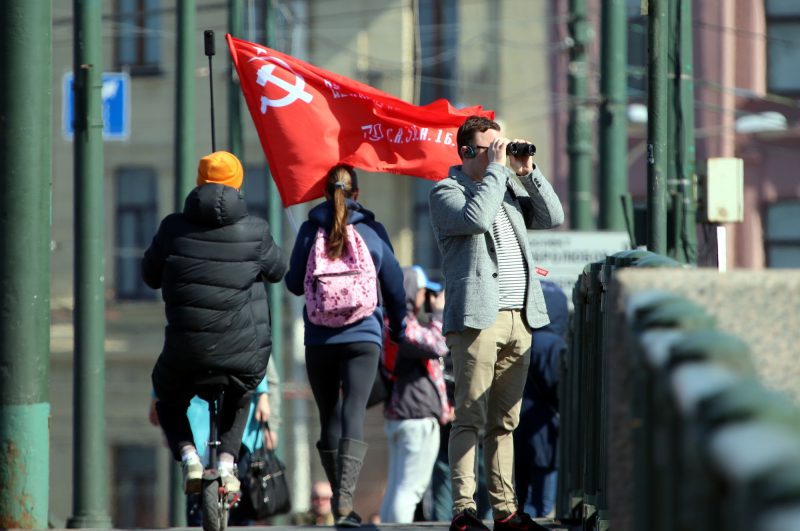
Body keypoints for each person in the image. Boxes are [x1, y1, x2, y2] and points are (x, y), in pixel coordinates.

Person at [428, 115, 564, 531]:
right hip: (476, 319)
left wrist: (529, 173)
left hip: (519, 317)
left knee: (505, 420)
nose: (500, 154)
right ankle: (464, 510)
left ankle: (506, 510)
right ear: (468, 152)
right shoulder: (447, 192)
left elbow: (553, 217)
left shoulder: (504, 187)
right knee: (470, 414)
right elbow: (475, 220)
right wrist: (497, 172)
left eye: (501, 146)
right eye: (491, 147)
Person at [143, 150, 287, 495]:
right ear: (238, 185)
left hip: (186, 352)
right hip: (243, 355)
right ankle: (225, 462)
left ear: (198, 182)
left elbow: (149, 276)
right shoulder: (256, 230)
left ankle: (189, 455)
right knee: (241, 393)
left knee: (167, 396)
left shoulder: (171, 228)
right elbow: (279, 271)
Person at [284, 164, 406, 527]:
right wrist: (397, 327)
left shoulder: (309, 229)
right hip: (363, 337)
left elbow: (293, 283)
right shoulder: (372, 230)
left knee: (328, 414)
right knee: (354, 410)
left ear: (326, 193)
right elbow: (396, 285)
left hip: (319, 338)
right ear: (357, 193)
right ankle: (344, 501)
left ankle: (339, 496)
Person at [379, 266, 450, 523]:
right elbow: (439, 345)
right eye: (423, 291)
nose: (427, 298)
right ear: (410, 291)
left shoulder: (386, 321)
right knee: (411, 489)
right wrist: (440, 313)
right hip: (416, 417)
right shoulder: (402, 326)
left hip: (401, 415)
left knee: (399, 487)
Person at [513, 281, 568, 518]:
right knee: (542, 505)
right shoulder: (554, 345)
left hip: (515, 429)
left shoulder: (517, 338)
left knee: (519, 497)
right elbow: (559, 388)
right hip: (543, 432)